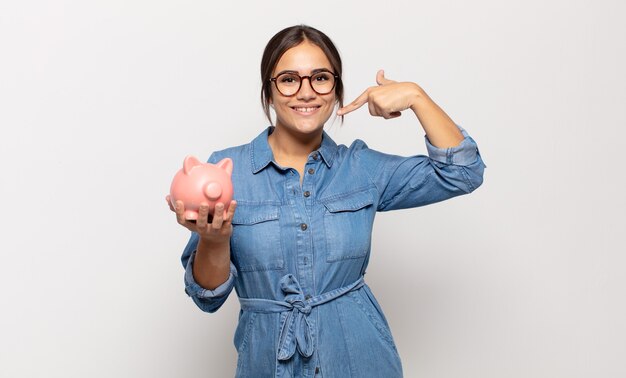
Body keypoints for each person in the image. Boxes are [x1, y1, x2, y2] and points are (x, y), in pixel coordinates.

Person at [167, 25, 485, 378]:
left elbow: (463, 172)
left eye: (320, 78)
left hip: (360, 359)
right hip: (266, 365)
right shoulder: (227, 172)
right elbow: (206, 298)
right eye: (289, 79)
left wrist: (416, 97)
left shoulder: (361, 168)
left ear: (336, 91)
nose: (306, 93)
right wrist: (214, 240)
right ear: (269, 92)